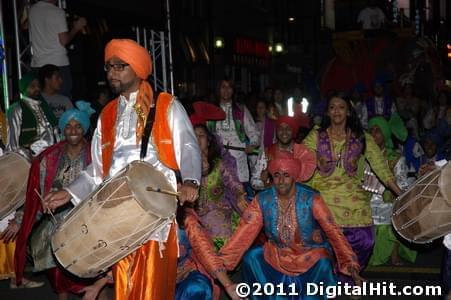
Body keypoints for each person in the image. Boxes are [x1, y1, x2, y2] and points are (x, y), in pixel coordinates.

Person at [44, 39, 201, 300]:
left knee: (150, 289)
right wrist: (69, 194)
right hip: (113, 216)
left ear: (138, 69)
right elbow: (97, 170)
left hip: (153, 217)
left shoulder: (166, 105)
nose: (111, 73)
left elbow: (188, 146)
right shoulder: (106, 115)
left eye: (119, 66)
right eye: (108, 67)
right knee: (124, 289)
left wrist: (191, 181)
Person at [219, 151, 362, 300]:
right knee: (252, 257)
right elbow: (243, 233)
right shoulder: (263, 199)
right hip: (276, 254)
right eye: (276, 175)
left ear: (294, 176)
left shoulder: (311, 198)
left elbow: (333, 231)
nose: (281, 181)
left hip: (307, 255)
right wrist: (219, 267)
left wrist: (351, 266)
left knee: (323, 261)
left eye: (286, 175)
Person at [303, 91, 402, 284]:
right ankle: (342, 280)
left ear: (348, 111)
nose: (337, 111)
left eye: (341, 107)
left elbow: (380, 166)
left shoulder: (361, 137)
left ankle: (348, 275)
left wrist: (400, 193)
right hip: (323, 196)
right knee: (325, 244)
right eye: (332, 107)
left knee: (366, 241)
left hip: (354, 196)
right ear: (327, 113)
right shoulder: (316, 135)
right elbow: (301, 159)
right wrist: (314, 161)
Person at [9, 101, 101, 299]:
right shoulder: (49, 158)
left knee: (91, 270)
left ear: (84, 128)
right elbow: (36, 193)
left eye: (78, 126)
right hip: (54, 219)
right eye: (68, 126)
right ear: (62, 130)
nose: (73, 130)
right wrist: (21, 219)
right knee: (53, 259)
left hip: (87, 221)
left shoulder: (96, 156)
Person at [175, 102, 245, 300]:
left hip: (221, 218)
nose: (197, 139)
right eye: (193, 136)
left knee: (216, 234)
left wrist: (243, 203)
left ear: (209, 141)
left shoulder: (219, 164)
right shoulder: (182, 169)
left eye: (201, 135)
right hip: (194, 222)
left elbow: (236, 188)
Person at [366, 114, 417, 266]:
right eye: (371, 130)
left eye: (378, 130)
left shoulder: (396, 157)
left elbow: (402, 184)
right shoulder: (363, 155)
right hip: (366, 198)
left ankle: (394, 255)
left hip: (387, 199)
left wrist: (392, 193)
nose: (374, 133)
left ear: (385, 134)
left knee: (392, 217)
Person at [208, 79, 260, 197]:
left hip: (238, 161)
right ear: (218, 90)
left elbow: (254, 133)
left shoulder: (240, 110)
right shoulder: (211, 111)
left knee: (240, 200)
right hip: (217, 161)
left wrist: (252, 145)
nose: (226, 90)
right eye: (223, 87)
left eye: (229, 87)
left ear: (233, 90)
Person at [28, 0, 87, 97]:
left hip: (38, 64)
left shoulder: (32, 10)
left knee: (42, 102)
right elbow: (64, 41)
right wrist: (76, 28)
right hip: (58, 64)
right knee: (62, 101)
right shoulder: (57, 12)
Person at [251, 115, 315, 191]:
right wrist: (264, 182)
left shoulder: (302, 153)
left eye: (288, 128)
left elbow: (310, 183)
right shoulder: (267, 152)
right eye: (280, 128)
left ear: (293, 131)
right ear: (276, 131)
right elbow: (254, 181)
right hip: (272, 200)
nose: (284, 131)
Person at [6, 72, 59, 158]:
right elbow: (13, 144)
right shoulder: (16, 108)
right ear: (24, 88)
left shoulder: (44, 107)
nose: (37, 88)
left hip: (51, 156)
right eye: (32, 86)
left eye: (38, 86)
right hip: (29, 159)